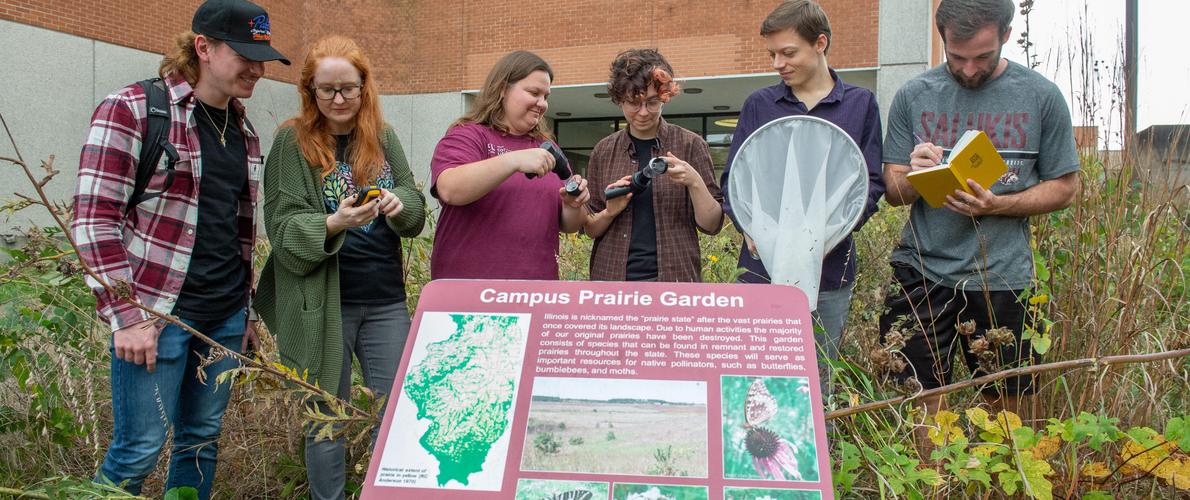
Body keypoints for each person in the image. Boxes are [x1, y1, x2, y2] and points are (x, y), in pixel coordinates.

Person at [70, 0, 289, 497]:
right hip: (156, 315)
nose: (256, 69)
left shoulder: (245, 132)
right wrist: (126, 314)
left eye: (263, 58)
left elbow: (236, 233)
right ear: (204, 48)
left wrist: (246, 313)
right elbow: (93, 219)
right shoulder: (132, 109)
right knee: (139, 448)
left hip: (225, 318)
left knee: (201, 440)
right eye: (244, 55)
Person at [879, 0, 1079, 421]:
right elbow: (893, 190)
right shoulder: (914, 94)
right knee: (918, 399)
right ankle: (930, 486)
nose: (969, 69)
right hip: (921, 270)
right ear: (943, 40)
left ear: (1006, 35)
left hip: (1003, 275)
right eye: (957, 57)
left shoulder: (1041, 96)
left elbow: (1064, 187)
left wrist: (998, 205)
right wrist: (916, 174)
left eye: (982, 57)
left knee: (1008, 405)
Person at [254, 35, 426, 500]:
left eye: (348, 88)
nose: (338, 99)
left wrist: (396, 202)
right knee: (326, 416)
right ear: (309, 92)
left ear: (364, 86)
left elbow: (414, 205)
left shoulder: (383, 137)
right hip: (326, 303)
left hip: (385, 299)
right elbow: (283, 228)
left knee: (394, 414)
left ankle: (385, 492)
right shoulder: (292, 141)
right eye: (325, 90)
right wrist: (334, 222)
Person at [720, 0, 885, 389]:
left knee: (817, 378)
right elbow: (735, 181)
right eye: (772, 54)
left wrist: (830, 236)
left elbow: (871, 184)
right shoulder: (760, 105)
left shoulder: (860, 105)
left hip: (830, 272)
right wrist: (747, 227)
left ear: (820, 43)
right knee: (756, 377)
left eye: (788, 52)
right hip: (760, 271)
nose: (778, 62)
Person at [429, 50, 590, 280]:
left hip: (534, 292)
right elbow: (450, 189)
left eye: (546, 96)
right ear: (503, 89)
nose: (542, 104)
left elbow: (569, 225)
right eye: (534, 92)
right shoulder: (467, 135)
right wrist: (513, 160)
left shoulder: (546, 146)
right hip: (470, 293)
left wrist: (573, 205)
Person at [584, 49, 724, 282]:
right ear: (619, 100)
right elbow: (590, 229)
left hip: (675, 280)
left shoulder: (690, 145)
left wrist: (694, 181)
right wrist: (610, 212)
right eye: (633, 103)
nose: (643, 112)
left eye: (652, 102)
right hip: (611, 281)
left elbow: (712, 225)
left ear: (665, 97)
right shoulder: (604, 150)